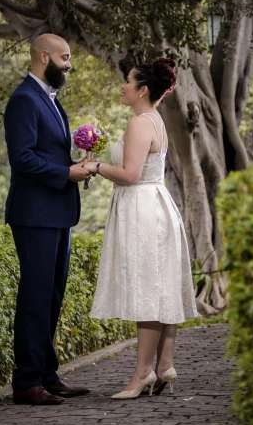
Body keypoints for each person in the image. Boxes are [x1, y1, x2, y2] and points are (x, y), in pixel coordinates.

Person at [84, 58, 198, 399]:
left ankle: (142, 373)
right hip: (158, 203)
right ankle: (164, 364)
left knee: (149, 289)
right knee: (160, 285)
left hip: (142, 207)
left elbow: (130, 174)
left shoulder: (139, 123)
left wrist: (96, 165)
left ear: (143, 89)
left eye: (128, 81)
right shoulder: (156, 121)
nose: (123, 86)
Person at [4, 34, 92, 405]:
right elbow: (21, 158)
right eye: (65, 57)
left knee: (52, 296)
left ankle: (47, 374)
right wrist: (67, 173)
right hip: (35, 214)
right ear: (45, 57)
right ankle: (26, 382)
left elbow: (50, 154)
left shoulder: (51, 100)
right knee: (36, 297)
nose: (69, 64)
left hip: (57, 213)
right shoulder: (24, 99)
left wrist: (77, 167)